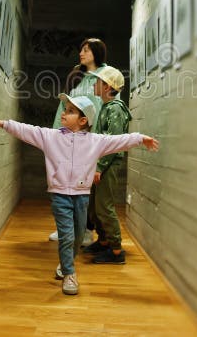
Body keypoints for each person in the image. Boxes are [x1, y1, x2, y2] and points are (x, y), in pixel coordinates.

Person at [0, 95, 160, 295]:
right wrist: (5, 124)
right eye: (65, 109)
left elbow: (119, 140)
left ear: (83, 120)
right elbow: (28, 130)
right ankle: (69, 273)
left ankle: (65, 262)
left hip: (82, 195)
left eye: (70, 111)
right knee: (67, 236)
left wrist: (140, 138)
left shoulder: (96, 141)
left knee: (78, 237)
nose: (64, 113)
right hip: (59, 195)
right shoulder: (50, 137)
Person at [48, 38, 113, 244]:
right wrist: (55, 133)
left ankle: (84, 230)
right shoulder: (77, 75)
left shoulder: (105, 76)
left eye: (86, 50)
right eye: (81, 50)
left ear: (96, 52)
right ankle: (65, 228)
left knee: (83, 187)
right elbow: (65, 105)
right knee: (63, 182)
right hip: (66, 138)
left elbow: (103, 109)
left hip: (87, 140)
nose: (81, 53)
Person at [82, 66, 130, 264]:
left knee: (104, 207)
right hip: (100, 164)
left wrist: (100, 167)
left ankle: (117, 252)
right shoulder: (106, 107)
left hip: (107, 165)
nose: (94, 84)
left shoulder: (116, 109)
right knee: (94, 207)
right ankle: (103, 242)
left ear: (108, 86)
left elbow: (112, 142)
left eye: (98, 82)